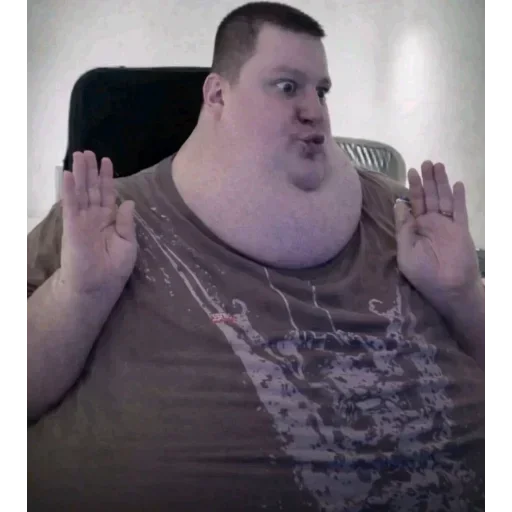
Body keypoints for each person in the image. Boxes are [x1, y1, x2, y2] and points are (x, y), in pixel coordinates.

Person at [24, 2, 487, 511]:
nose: (314, 110)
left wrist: (465, 294)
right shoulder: (100, 217)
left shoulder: (412, 217)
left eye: (321, 90)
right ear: (217, 94)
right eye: (287, 86)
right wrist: (79, 292)